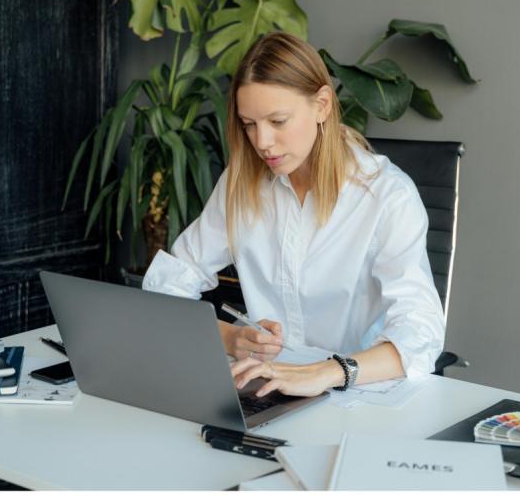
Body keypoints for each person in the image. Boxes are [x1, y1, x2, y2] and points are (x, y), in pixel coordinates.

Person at [142, 32, 445, 399]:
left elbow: (420, 333)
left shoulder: (386, 196)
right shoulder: (241, 184)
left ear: (322, 105)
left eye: (278, 121)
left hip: (357, 393)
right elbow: (168, 283)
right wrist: (231, 338)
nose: (262, 141)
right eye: (249, 124)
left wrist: (324, 373)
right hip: (262, 387)